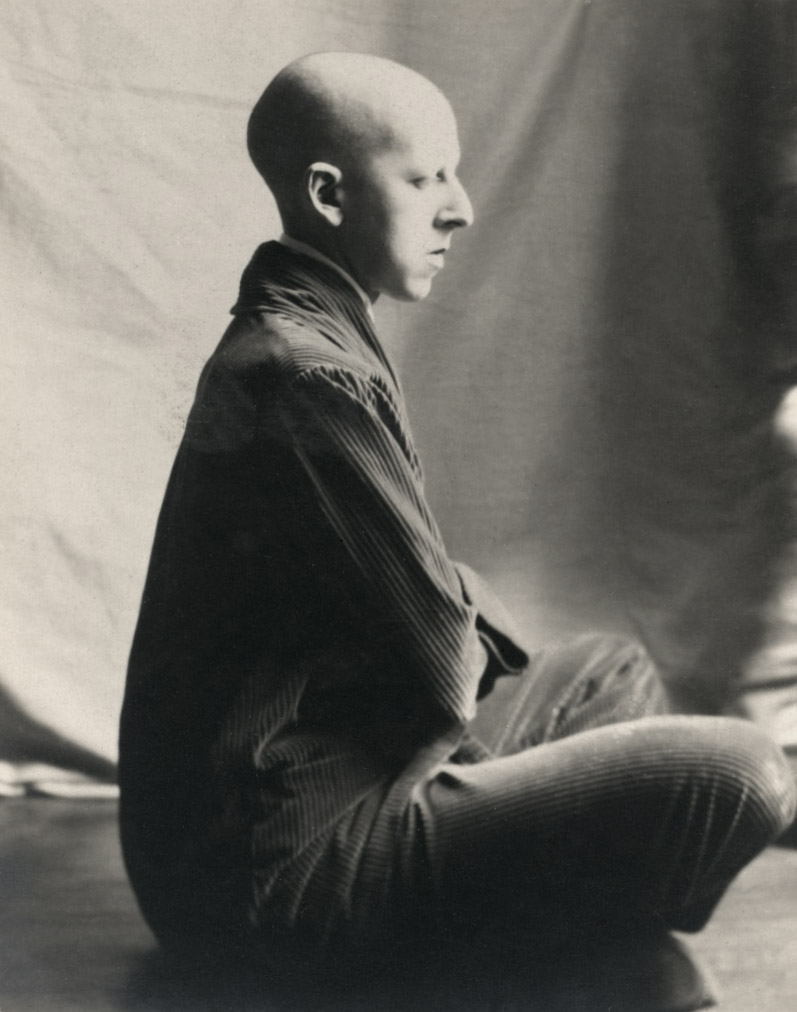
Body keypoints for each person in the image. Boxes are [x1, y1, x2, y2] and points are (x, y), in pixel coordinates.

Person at [119, 52, 796, 1010]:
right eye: (427, 177)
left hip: (298, 795)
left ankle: (555, 912)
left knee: (607, 670)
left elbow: (430, 603)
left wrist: (448, 611)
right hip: (274, 877)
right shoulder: (304, 373)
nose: (462, 207)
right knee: (748, 777)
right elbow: (439, 657)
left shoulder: (309, 333)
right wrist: (452, 631)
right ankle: (577, 942)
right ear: (328, 194)